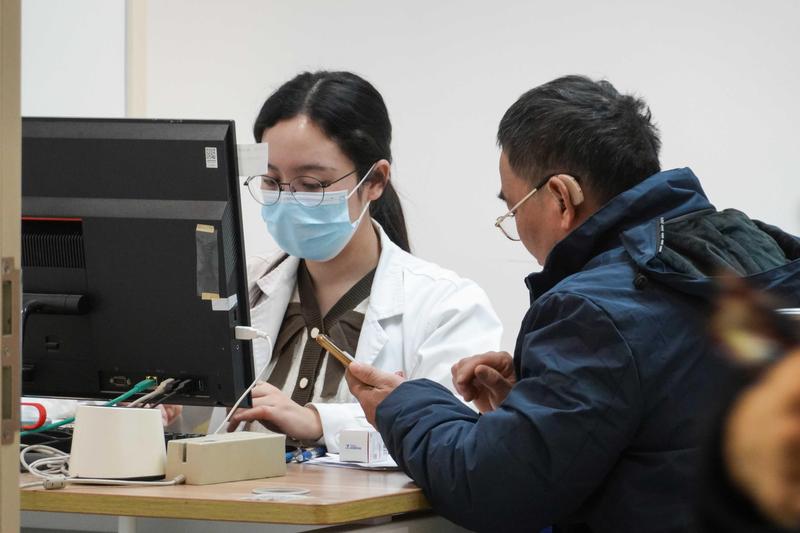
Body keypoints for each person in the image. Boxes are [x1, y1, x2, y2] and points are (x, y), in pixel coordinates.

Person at [345, 75, 800, 532]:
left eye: (513, 208)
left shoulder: (592, 312)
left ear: (562, 197)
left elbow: (491, 488)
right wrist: (538, 396)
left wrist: (405, 403)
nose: (516, 227)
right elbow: (669, 406)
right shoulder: (757, 252)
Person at [224, 71, 503, 452]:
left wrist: (319, 422)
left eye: (311, 185)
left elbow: (454, 435)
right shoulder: (242, 286)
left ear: (375, 180)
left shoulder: (447, 305)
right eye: (272, 182)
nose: (288, 200)